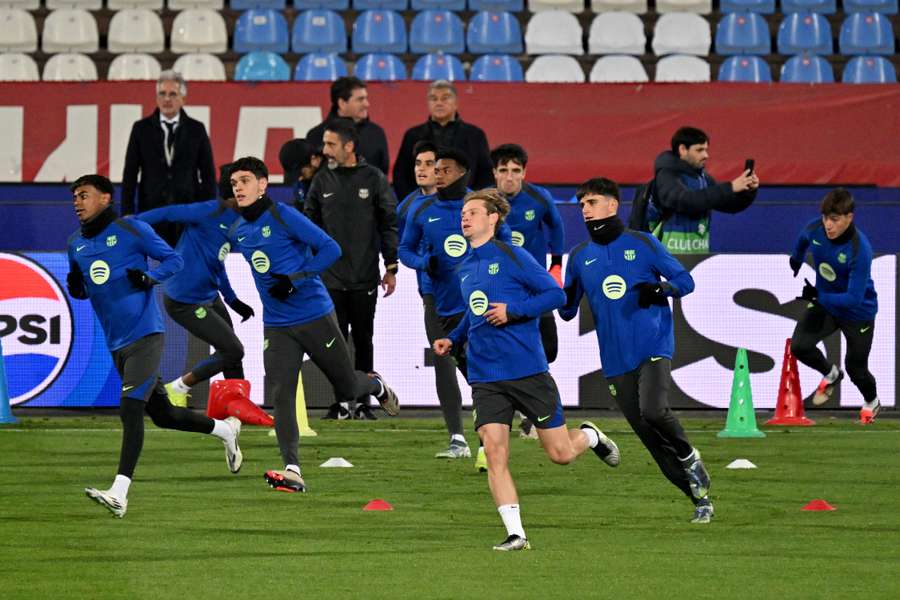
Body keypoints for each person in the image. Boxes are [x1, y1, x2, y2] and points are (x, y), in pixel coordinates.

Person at [433, 189, 619, 551]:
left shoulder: (514, 257)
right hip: (486, 376)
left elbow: (556, 296)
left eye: (473, 213)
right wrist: (453, 339)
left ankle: (591, 436)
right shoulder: (465, 266)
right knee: (494, 451)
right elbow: (475, 314)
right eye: (463, 214)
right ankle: (516, 534)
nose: (465, 218)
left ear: (493, 218)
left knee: (560, 454)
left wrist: (513, 310)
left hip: (527, 371)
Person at [67, 174, 242, 519]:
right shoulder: (75, 243)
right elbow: (85, 286)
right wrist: (77, 286)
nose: (77, 202)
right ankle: (225, 431)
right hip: (116, 341)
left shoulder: (131, 230)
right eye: (74, 197)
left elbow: (174, 261)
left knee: (130, 408)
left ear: (105, 198)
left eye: (83, 195)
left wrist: (151, 278)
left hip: (146, 334)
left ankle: (120, 492)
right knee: (163, 415)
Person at [228, 156, 399, 493]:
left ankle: (376, 387)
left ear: (263, 185)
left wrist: (296, 278)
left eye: (245, 180)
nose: (238, 188)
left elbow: (330, 248)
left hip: (314, 315)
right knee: (281, 394)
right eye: (234, 183)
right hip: (277, 324)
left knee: (347, 388)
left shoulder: (284, 215)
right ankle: (292, 468)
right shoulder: (238, 229)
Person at [558, 177, 713, 524]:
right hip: (615, 360)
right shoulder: (580, 257)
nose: (585, 209)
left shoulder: (643, 244)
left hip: (654, 346)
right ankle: (699, 498)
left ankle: (690, 456)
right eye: (582, 204)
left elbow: (686, 282)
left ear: (612, 206)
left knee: (654, 411)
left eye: (592, 202)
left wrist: (661, 290)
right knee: (651, 440)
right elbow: (567, 311)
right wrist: (557, 294)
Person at [135, 164, 255, 408]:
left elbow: (218, 263)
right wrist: (132, 224)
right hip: (185, 301)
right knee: (233, 350)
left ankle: (239, 404)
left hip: (209, 296)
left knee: (231, 351)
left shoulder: (239, 221)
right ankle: (178, 387)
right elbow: (168, 213)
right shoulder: (209, 211)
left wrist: (234, 301)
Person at [304, 118, 399, 420]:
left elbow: (388, 222)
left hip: (364, 276)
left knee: (363, 339)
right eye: (325, 143)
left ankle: (363, 402)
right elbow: (308, 223)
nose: (326, 150)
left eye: (331, 144)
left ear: (349, 146)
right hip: (329, 278)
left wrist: (391, 265)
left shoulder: (373, 178)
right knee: (334, 342)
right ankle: (343, 401)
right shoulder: (321, 180)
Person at [399, 147, 475, 460]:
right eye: (433, 168)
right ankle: (457, 437)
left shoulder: (479, 204)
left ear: (460, 172)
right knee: (443, 359)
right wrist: (423, 263)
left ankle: (494, 425)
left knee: (479, 364)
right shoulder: (417, 208)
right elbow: (404, 250)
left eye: (442, 169)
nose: (435, 174)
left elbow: (506, 240)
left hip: (476, 297)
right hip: (435, 297)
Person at [788, 188, 880, 424]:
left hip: (858, 313)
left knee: (856, 369)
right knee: (799, 346)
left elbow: (853, 299)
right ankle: (831, 374)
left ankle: (872, 401)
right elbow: (801, 240)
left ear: (849, 218)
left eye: (835, 219)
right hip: (826, 304)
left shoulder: (861, 250)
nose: (828, 225)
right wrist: (795, 260)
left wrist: (819, 296)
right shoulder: (815, 229)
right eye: (826, 218)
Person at [121, 70, 216, 247]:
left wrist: (208, 212)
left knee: (186, 265)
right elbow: (130, 174)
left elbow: (208, 175)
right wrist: (127, 211)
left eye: (173, 94)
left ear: (183, 99)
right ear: (156, 97)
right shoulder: (141, 129)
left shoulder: (197, 129)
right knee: (154, 267)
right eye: (162, 94)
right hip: (151, 211)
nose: (167, 99)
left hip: (188, 212)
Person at [647, 126, 759, 254]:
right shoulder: (667, 175)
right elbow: (685, 201)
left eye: (706, 150)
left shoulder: (703, 178)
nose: (706, 155)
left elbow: (729, 204)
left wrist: (748, 191)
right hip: (668, 256)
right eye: (699, 150)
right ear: (683, 149)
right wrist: (730, 187)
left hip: (697, 256)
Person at [392, 80, 493, 200]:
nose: (439, 103)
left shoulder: (475, 135)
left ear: (456, 103)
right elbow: (400, 175)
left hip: (465, 205)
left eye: (445, 98)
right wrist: (414, 202)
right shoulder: (412, 135)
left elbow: (486, 174)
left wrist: (473, 201)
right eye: (434, 99)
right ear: (428, 103)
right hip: (422, 205)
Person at [306, 76, 389, 175]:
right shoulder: (316, 135)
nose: (367, 104)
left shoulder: (376, 133)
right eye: (360, 99)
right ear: (342, 103)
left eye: (366, 98)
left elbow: (382, 174)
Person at [279, 138, 324, 211]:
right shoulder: (303, 181)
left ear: (314, 159)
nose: (300, 178)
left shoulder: (333, 177)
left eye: (301, 173)